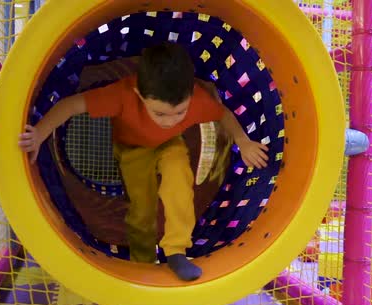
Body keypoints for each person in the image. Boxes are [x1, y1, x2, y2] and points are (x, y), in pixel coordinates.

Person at [18, 42, 269, 281]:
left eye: (179, 113)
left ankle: (176, 251)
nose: (170, 120)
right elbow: (71, 105)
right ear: (139, 93)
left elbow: (222, 113)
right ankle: (142, 262)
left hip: (171, 143)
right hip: (131, 148)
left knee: (180, 181)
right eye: (159, 113)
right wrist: (40, 132)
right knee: (142, 205)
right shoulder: (122, 95)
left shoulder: (197, 100)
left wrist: (243, 141)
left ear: (190, 94)